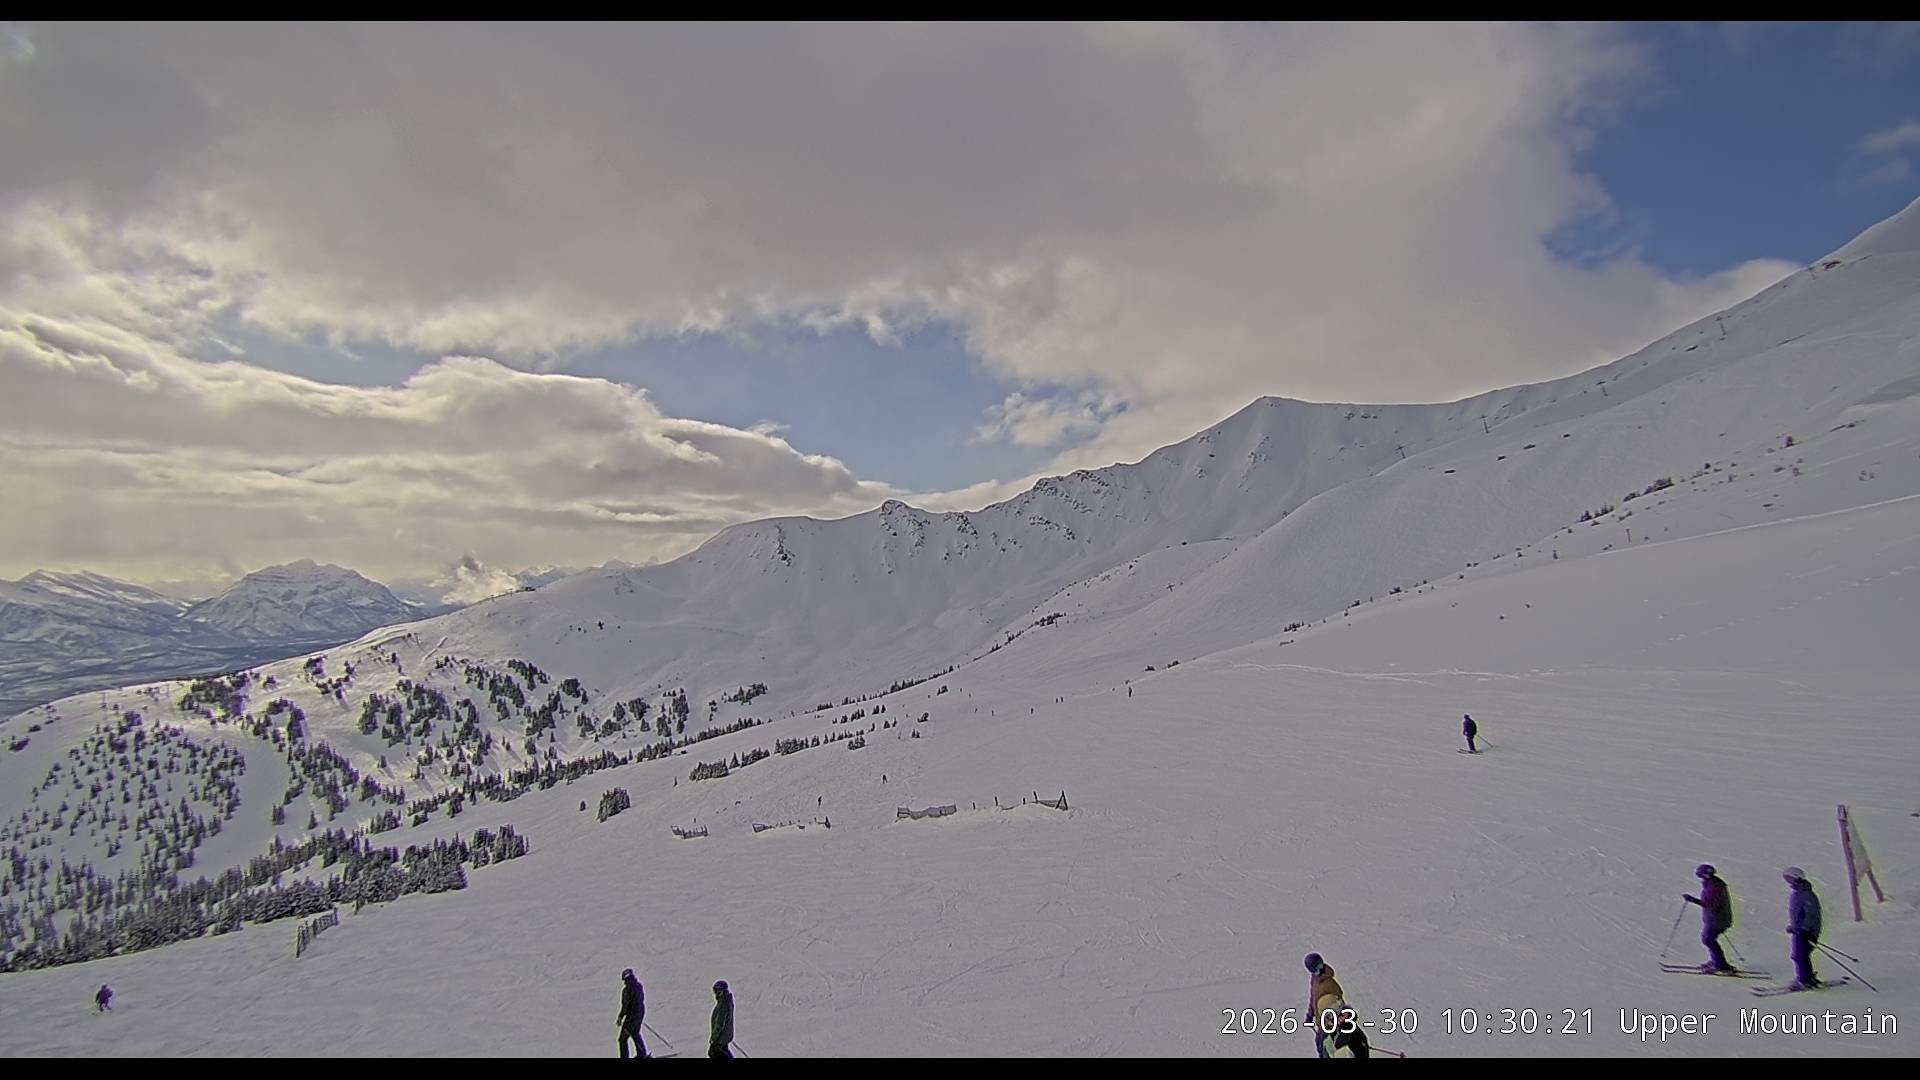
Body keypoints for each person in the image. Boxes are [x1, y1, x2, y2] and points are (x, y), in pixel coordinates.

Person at [1683, 864, 1735, 972]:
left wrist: (1693, 900)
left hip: (1717, 920)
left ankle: (1720, 965)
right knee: (1708, 939)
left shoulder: (1713, 887)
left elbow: (1711, 904)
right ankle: (1717, 961)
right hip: (1716, 919)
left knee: (1708, 940)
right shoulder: (1714, 884)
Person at [1784, 867, 1823, 989]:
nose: (1789, 882)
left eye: (1790, 879)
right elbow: (1797, 915)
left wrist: (1804, 929)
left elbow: (1812, 914)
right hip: (1799, 931)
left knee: (1800, 956)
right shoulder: (1797, 893)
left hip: (1806, 932)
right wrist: (1793, 927)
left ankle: (1805, 980)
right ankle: (1807, 977)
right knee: (1799, 955)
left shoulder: (1806, 894)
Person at [1302, 953, 1344, 1058]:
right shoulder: (1315, 980)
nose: (1320, 968)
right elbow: (1313, 999)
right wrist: (1310, 1015)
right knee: (1320, 1044)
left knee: (1326, 1045)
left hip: (1330, 1021)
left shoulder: (1329, 982)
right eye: (1317, 967)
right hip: (1321, 1020)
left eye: (1320, 965)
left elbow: (1338, 999)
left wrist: (1336, 1017)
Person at [617, 968, 647, 1059]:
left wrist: (620, 1017)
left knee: (622, 1039)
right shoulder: (639, 986)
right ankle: (642, 1054)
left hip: (631, 1018)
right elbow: (640, 1000)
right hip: (640, 1013)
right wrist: (638, 1015)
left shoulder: (627, 990)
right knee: (635, 1033)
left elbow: (625, 1005)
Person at [710, 979, 734, 1058]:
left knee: (714, 1053)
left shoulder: (723, 1004)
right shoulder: (727, 1001)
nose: (716, 995)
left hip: (720, 1039)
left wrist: (713, 1038)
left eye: (718, 992)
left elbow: (720, 1024)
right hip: (724, 1037)